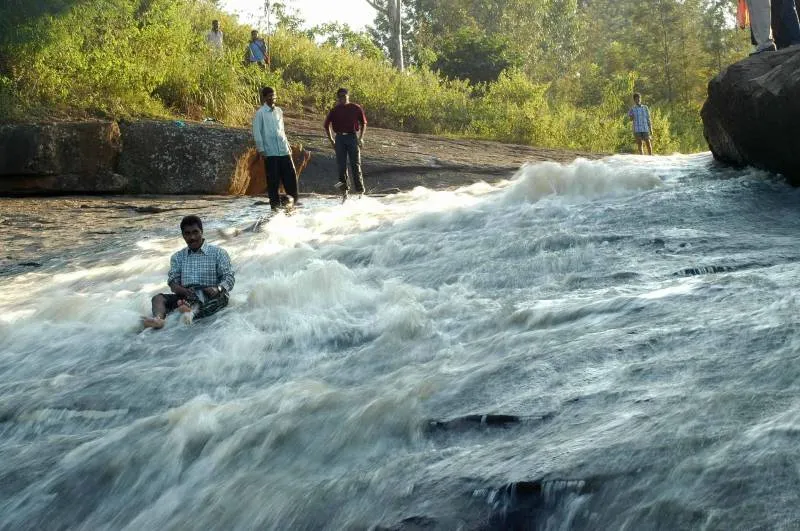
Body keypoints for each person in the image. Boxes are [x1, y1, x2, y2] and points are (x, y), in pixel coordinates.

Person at [143, 215, 235, 329]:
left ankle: (188, 311)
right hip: (187, 295)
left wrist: (218, 288)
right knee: (158, 298)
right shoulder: (177, 257)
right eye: (187, 233)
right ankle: (159, 319)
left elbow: (229, 278)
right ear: (183, 235)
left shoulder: (218, 253)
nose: (192, 237)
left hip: (212, 294)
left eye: (195, 232)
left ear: (202, 231)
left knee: (206, 297)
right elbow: (172, 282)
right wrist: (184, 291)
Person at [252, 86, 300, 210]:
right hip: (270, 152)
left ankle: (293, 205)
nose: (272, 98)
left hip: (284, 150)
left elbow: (282, 130)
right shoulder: (260, 113)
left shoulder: (279, 111)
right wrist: (262, 150)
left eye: (274, 95)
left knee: (291, 179)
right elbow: (257, 132)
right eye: (269, 96)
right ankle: (275, 207)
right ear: (264, 97)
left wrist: (288, 146)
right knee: (273, 182)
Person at [324, 88, 368, 198]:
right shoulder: (334, 110)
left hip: (352, 137)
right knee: (341, 167)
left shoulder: (356, 108)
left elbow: (364, 123)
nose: (342, 98)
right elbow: (326, 125)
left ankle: (360, 192)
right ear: (338, 98)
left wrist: (361, 138)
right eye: (340, 97)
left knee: (355, 165)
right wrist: (332, 140)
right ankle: (344, 192)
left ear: (348, 96)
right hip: (339, 139)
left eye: (344, 96)